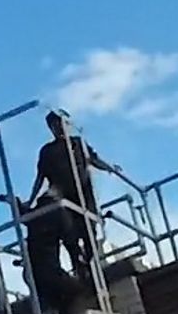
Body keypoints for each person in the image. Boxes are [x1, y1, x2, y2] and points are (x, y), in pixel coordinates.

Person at [27, 110, 118, 280]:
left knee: (89, 229)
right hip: (63, 196)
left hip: (84, 192)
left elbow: (94, 159)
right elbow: (40, 177)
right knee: (69, 234)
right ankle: (79, 266)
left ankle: (91, 264)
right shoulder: (47, 151)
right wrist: (30, 201)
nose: (59, 128)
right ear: (51, 129)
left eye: (61, 124)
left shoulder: (77, 143)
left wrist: (110, 168)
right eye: (54, 126)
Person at [22, 191, 87, 314]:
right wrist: (81, 266)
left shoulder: (35, 214)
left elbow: (23, 214)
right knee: (73, 290)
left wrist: (15, 203)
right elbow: (71, 241)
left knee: (59, 300)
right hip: (49, 272)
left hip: (31, 274)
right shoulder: (59, 211)